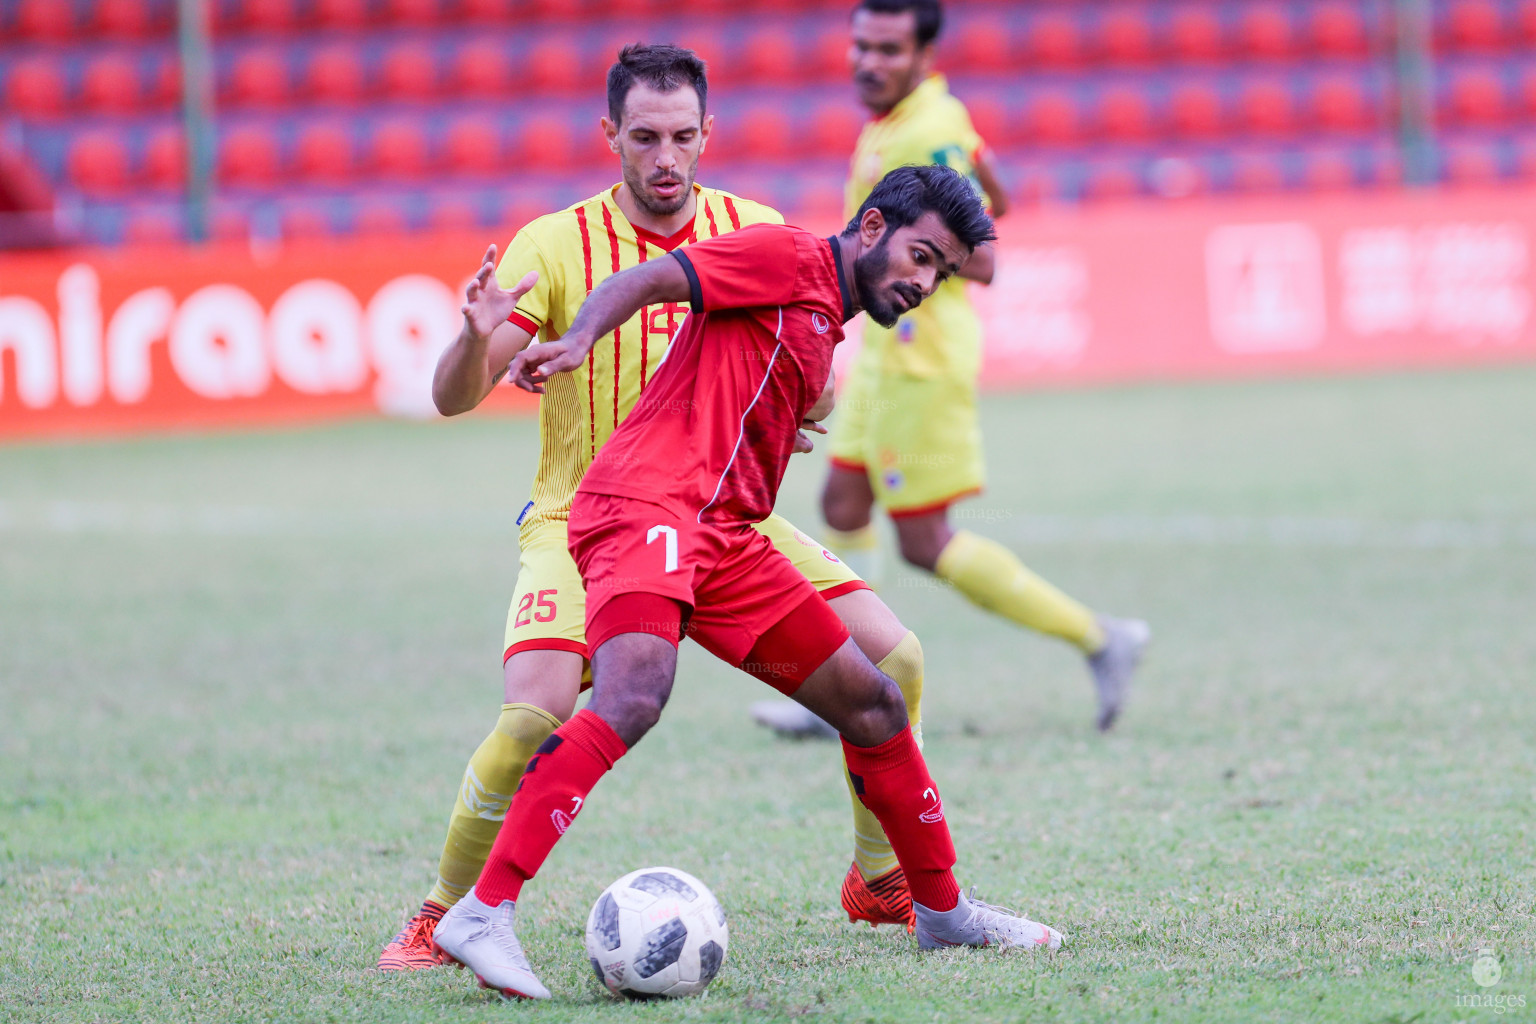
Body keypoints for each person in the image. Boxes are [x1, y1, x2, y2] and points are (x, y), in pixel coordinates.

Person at [431, 164, 1066, 1000]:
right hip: (645, 508)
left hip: (724, 539)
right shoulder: (789, 257)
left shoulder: (820, 323)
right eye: (920, 255)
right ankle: (482, 911)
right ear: (871, 229)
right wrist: (582, 339)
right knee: (632, 696)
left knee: (873, 700)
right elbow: (650, 278)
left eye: (940, 271)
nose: (922, 281)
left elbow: (737, 392)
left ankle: (942, 914)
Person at [379, 44, 926, 972]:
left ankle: (876, 880)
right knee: (533, 718)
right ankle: (438, 918)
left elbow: (818, 382)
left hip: (723, 520)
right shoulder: (552, 245)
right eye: (644, 137)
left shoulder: (752, 228)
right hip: (583, 521)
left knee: (895, 658)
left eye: (682, 136)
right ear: (611, 138)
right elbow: (452, 396)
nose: (664, 157)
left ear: (709, 135)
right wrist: (473, 343)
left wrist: (794, 406)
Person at [751, 0, 1149, 742]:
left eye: (889, 49)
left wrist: (943, 239)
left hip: (922, 360)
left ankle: (1101, 638)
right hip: (883, 353)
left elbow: (987, 257)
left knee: (924, 542)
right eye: (861, 46)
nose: (869, 62)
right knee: (842, 500)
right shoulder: (908, 120)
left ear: (925, 54)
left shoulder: (930, 128)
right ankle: (843, 685)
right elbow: (987, 188)